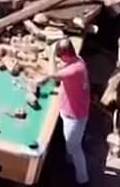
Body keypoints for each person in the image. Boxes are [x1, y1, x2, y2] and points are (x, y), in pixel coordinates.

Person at [36, 39, 90, 185]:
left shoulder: (73, 70)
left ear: (65, 55)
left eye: (60, 57)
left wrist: (52, 55)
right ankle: (68, 164)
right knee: (70, 145)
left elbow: (52, 75)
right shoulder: (78, 60)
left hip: (75, 116)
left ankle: (83, 179)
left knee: (75, 147)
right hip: (71, 110)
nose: (60, 59)